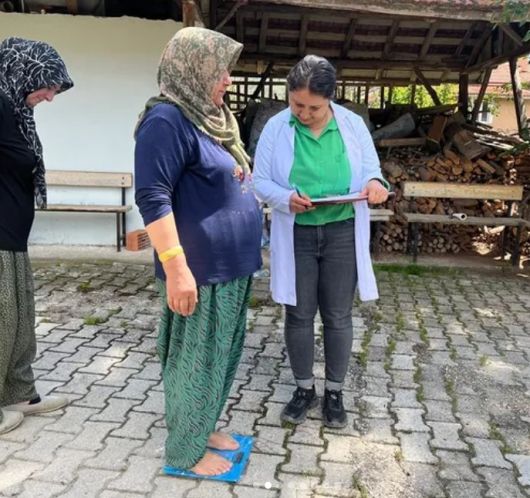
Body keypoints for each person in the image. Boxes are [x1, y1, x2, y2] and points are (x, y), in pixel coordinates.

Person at [134, 28, 262, 476]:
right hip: (200, 270)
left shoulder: (209, 118)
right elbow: (152, 197)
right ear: (193, 69)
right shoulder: (166, 121)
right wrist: (176, 269)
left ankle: (202, 428)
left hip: (232, 267)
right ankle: (184, 452)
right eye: (219, 70)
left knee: (218, 359)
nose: (228, 79)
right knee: (194, 362)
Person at [253, 55, 389, 429]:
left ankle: (334, 392)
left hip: (341, 232)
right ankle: (303, 388)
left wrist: (375, 185)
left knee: (337, 314)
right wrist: (285, 198)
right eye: (297, 104)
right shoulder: (276, 128)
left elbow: (372, 172)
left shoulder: (352, 125)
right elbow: (259, 181)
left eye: (314, 107)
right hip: (297, 232)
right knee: (298, 312)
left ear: (330, 98)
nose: (304, 113)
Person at [0, 37, 74, 435]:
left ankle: (18, 393)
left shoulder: (14, 109)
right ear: (24, 73)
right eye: (46, 86)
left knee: (18, 320)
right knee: (2, 319)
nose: (49, 97)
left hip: (13, 234)